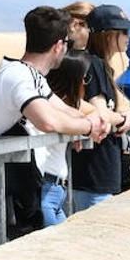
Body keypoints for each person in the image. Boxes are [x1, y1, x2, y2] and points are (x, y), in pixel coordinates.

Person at [0, 6, 108, 237]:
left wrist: (87, 122)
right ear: (58, 46)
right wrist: (89, 128)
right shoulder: (18, 77)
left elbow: (67, 112)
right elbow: (48, 121)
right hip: (23, 197)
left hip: (40, 191)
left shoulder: (33, 77)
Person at [70, 4, 130, 207]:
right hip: (94, 174)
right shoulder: (94, 64)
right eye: (124, 31)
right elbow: (100, 113)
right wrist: (125, 119)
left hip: (99, 174)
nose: (129, 37)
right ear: (109, 35)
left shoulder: (97, 64)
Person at [42, 51, 95, 226]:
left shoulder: (65, 107)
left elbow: (98, 115)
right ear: (73, 80)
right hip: (47, 192)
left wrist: (75, 129)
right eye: (84, 78)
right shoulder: (50, 106)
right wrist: (77, 127)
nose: (85, 84)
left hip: (56, 192)